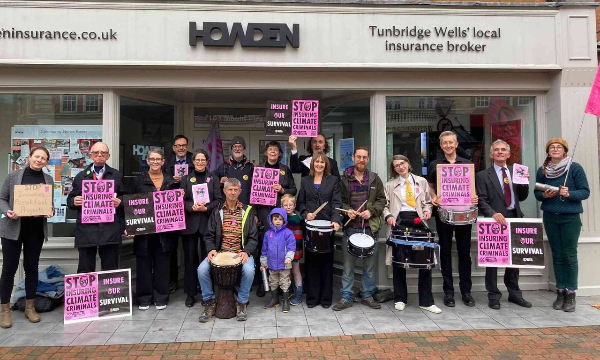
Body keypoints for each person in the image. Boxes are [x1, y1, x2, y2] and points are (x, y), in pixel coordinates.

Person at [0, 147, 54, 327]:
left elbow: (49, 203)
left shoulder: (48, 179)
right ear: (30, 157)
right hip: (13, 230)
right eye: (37, 156)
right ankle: (5, 310)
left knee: (32, 269)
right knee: (9, 269)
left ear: (46, 162)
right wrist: (7, 211)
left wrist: (50, 210)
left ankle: (30, 307)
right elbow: (2, 198)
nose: (39, 160)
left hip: (35, 231)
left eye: (43, 158)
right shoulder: (13, 176)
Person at [534, 138, 589, 312]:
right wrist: (546, 196)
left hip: (570, 217)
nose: (555, 149)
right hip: (550, 216)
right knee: (557, 255)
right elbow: (537, 193)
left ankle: (571, 292)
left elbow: (585, 191)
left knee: (569, 255)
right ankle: (560, 291)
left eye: (559, 147)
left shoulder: (575, 168)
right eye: (552, 147)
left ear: (564, 151)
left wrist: (569, 193)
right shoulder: (543, 170)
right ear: (548, 151)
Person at [476, 140, 532, 310]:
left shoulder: (517, 172)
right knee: (492, 259)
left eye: (503, 150)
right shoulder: (482, 175)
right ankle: (493, 295)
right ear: (491, 154)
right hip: (494, 219)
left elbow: (522, 197)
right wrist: (492, 213)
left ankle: (514, 293)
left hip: (515, 217)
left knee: (514, 260)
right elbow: (481, 200)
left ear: (508, 154)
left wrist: (524, 183)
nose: (500, 152)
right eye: (496, 150)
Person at [383, 155, 441, 314]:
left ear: (408, 164)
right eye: (396, 166)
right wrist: (388, 216)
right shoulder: (390, 185)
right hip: (399, 221)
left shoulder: (421, 181)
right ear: (394, 169)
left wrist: (428, 211)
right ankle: (400, 298)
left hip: (419, 221)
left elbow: (428, 202)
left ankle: (426, 301)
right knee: (398, 261)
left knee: (425, 262)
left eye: (402, 164)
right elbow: (385, 205)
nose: (400, 167)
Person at [427, 131, 478, 308]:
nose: (448, 146)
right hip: (444, 215)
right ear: (441, 146)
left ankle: (466, 291)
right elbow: (430, 186)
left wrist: (474, 197)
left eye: (451, 143)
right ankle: (448, 292)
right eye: (445, 143)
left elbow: (473, 188)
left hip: (464, 214)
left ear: (456, 144)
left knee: (465, 254)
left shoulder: (468, 164)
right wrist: (433, 196)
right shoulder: (435, 164)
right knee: (446, 253)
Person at [198, 178, 258, 322]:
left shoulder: (247, 211)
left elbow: (253, 237)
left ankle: (242, 302)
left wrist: (246, 252)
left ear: (240, 192)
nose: (232, 192)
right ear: (224, 191)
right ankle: (209, 302)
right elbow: (209, 235)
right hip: (220, 252)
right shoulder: (217, 211)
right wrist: (211, 249)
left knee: (249, 271)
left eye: (235, 189)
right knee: (202, 270)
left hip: (240, 252)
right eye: (229, 189)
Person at [334, 147, 386, 311]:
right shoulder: (344, 179)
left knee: (369, 267)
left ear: (368, 159)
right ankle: (346, 297)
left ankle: (367, 295)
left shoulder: (374, 179)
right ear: (353, 158)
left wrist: (371, 211)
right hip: (351, 228)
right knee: (348, 267)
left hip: (369, 228)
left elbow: (381, 200)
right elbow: (339, 201)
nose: (361, 160)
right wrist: (347, 209)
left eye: (364, 157)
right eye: (359, 157)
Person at [129, 148, 179, 310]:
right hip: (144, 230)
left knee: (162, 264)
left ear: (163, 161)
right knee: (143, 264)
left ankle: (161, 297)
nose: (155, 162)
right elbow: (130, 204)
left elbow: (177, 205)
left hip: (165, 232)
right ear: (148, 161)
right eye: (152, 159)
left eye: (158, 159)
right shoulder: (138, 181)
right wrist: (129, 226)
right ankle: (144, 298)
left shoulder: (171, 181)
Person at [67, 142, 126, 274]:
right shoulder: (80, 176)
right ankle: (86, 295)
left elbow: (125, 198)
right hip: (87, 230)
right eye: (96, 153)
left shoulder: (116, 175)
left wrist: (120, 202)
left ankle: (109, 295)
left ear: (108, 156)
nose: (100, 155)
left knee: (110, 269)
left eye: (103, 153)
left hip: (109, 229)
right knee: (85, 269)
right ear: (90, 155)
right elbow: (70, 201)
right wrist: (74, 201)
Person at [297, 153, 342, 308]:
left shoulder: (333, 180)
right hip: (311, 226)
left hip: (328, 227)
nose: (320, 164)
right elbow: (300, 203)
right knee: (312, 264)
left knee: (326, 264)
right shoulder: (305, 181)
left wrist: (336, 220)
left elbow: (337, 202)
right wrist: (305, 214)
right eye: (317, 162)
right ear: (312, 164)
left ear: (326, 165)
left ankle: (326, 298)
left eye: (322, 162)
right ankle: (312, 298)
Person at [180, 149, 222, 307]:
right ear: (193, 162)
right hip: (190, 225)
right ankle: (190, 293)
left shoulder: (213, 179)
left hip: (208, 224)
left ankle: (208, 293)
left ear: (207, 161)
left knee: (208, 260)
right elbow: (180, 201)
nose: (199, 162)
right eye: (197, 160)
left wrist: (207, 208)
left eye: (202, 160)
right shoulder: (185, 179)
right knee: (189, 260)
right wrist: (191, 207)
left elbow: (219, 199)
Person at [254, 141, 296, 297]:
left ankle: (285, 286)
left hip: (281, 216)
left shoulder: (285, 170)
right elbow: (253, 193)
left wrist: (282, 189)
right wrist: (255, 213)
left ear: (280, 153)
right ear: (266, 153)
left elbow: (294, 189)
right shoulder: (258, 170)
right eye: (270, 149)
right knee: (264, 249)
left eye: (276, 150)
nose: (272, 152)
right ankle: (263, 283)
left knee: (283, 249)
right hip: (265, 214)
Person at [162, 135, 194, 295]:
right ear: (173, 148)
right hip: (170, 211)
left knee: (190, 249)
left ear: (187, 147)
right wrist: (170, 180)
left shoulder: (194, 160)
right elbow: (159, 183)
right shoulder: (166, 162)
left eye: (184, 145)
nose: (181, 148)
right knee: (171, 248)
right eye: (178, 145)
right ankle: (172, 280)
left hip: (189, 210)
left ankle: (192, 282)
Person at [260, 208, 296, 313]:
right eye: (275, 219)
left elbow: (291, 247)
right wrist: (264, 263)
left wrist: (289, 257)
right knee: (273, 281)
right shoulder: (268, 234)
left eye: (280, 219)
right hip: (272, 264)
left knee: (284, 281)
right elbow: (264, 249)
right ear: (271, 220)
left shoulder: (288, 233)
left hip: (285, 263)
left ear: (284, 220)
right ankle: (274, 299)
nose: (278, 221)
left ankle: (285, 300)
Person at [281, 194, 305, 306]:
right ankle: (289, 291)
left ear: (295, 206)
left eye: (291, 205)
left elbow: (298, 237)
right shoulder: (281, 218)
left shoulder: (296, 219)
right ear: (281, 206)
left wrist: (294, 249)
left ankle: (299, 293)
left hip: (294, 250)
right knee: (286, 271)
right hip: (282, 250)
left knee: (295, 271)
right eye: (286, 205)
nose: (288, 207)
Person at [216, 136, 254, 205]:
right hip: (227, 209)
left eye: (240, 146)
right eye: (234, 146)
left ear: (244, 148)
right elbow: (213, 188)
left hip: (246, 209)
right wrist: (219, 182)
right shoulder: (223, 167)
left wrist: (254, 212)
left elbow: (255, 191)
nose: (237, 149)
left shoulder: (250, 168)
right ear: (231, 149)